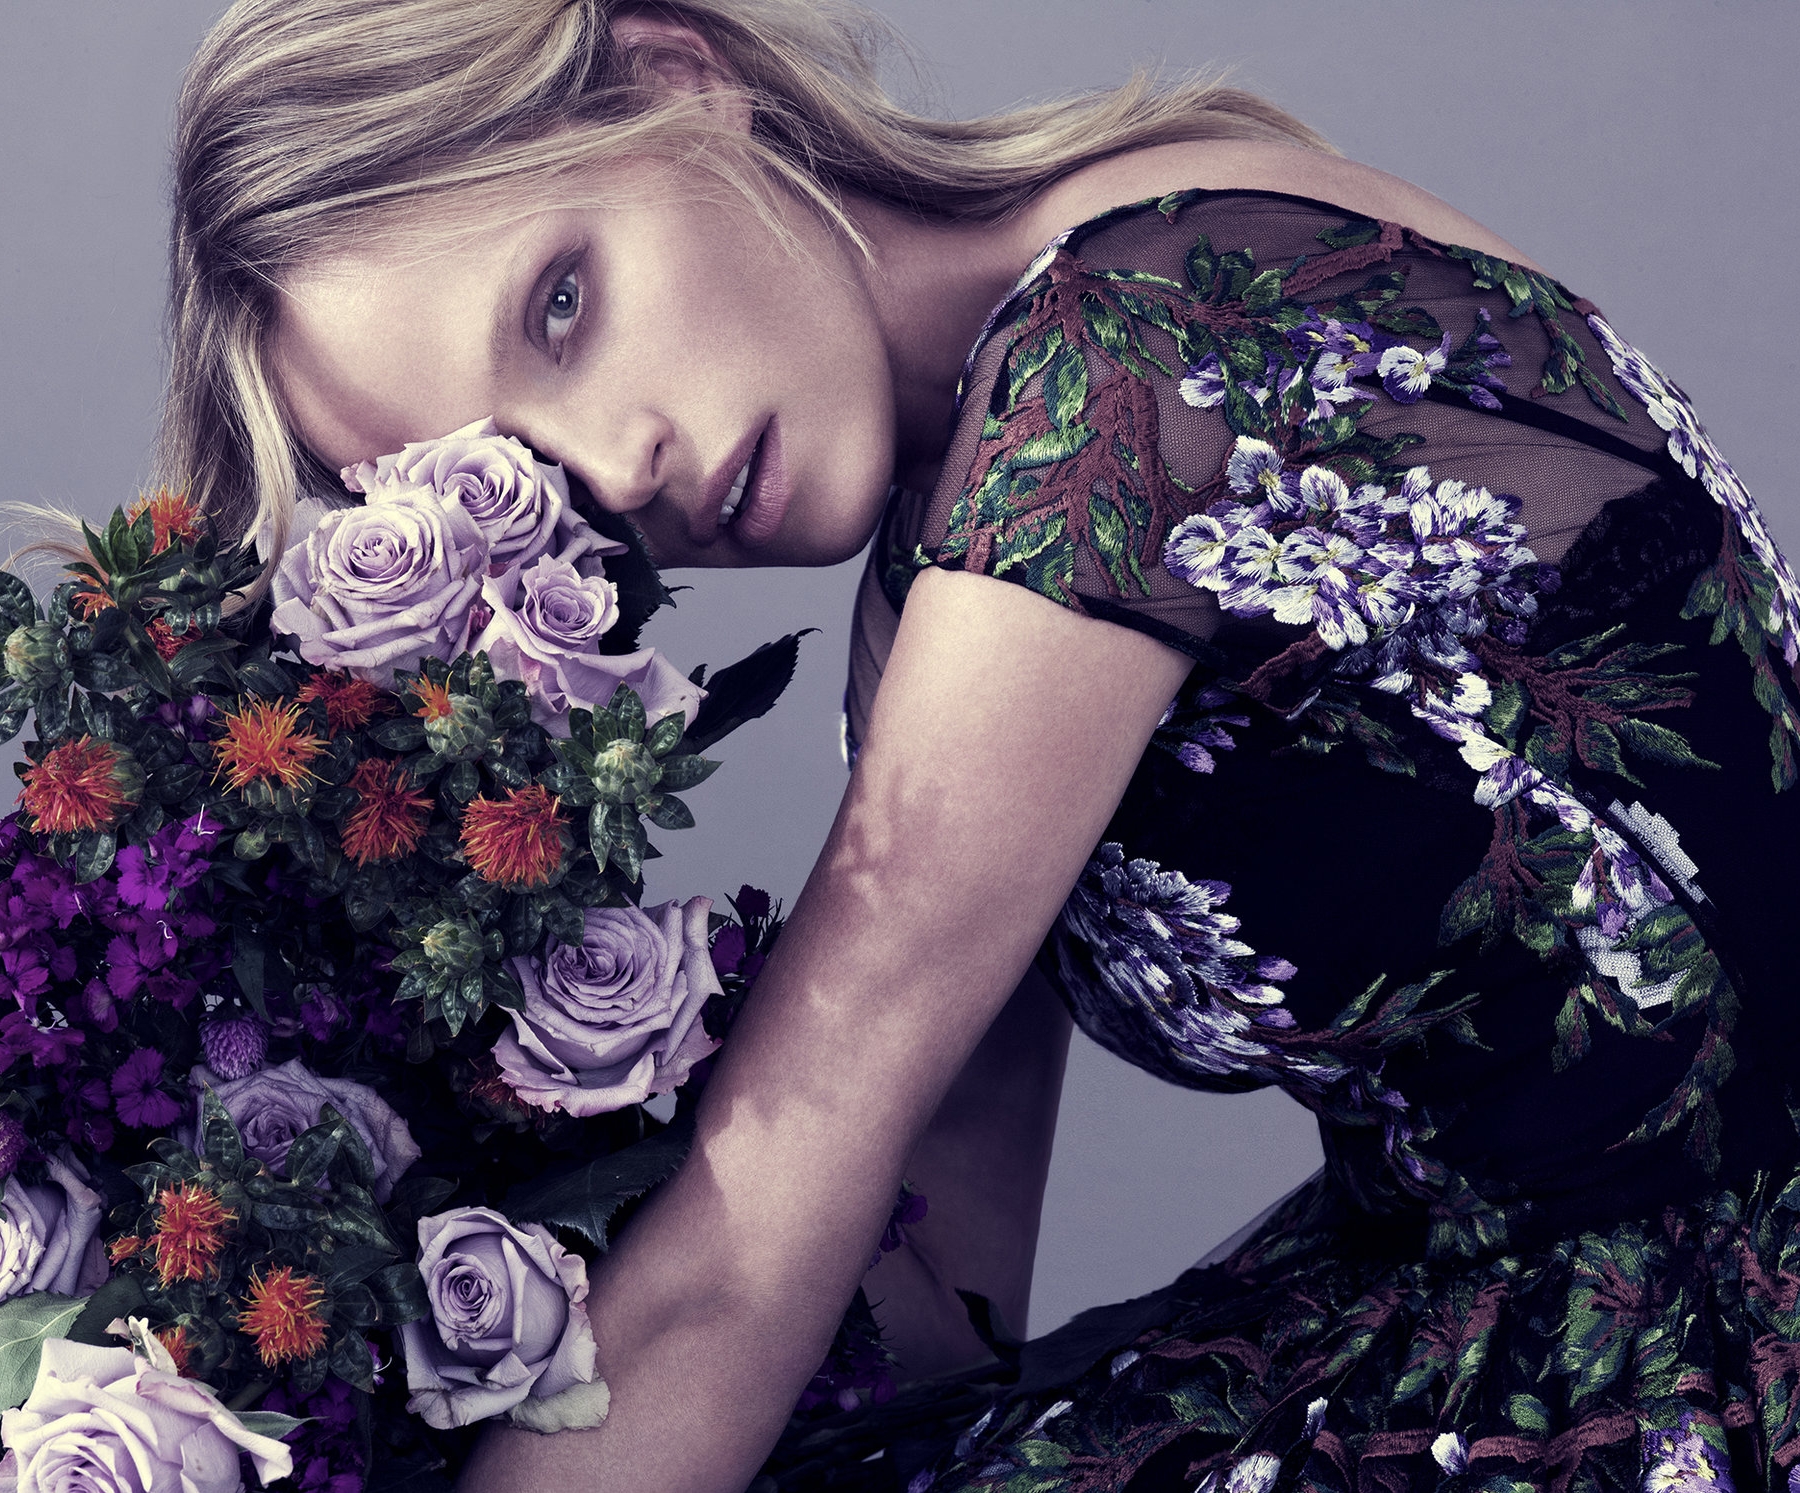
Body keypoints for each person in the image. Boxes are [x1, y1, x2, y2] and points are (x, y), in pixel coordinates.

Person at [158, 0, 1800, 1488]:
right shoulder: (1000, 482)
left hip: (1703, 1337)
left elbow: (746, 1263)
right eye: (523, 466)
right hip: (1553, 1292)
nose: (618, 466)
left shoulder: (1108, 375)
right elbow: (934, 1276)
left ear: (679, 78)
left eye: (564, 303)